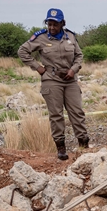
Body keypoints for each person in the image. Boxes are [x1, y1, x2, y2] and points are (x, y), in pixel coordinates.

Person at [18, 8, 89, 161]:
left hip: (70, 79)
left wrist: (74, 69)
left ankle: (84, 144)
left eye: (55, 24)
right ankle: (61, 147)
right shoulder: (40, 37)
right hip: (51, 78)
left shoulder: (70, 36)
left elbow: (79, 55)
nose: (51, 27)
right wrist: (38, 67)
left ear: (62, 24)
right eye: (49, 24)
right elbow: (22, 51)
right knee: (56, 114)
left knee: (77, 112)